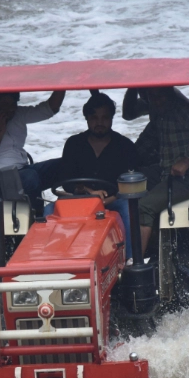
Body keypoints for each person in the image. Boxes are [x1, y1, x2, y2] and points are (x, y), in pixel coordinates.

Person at [127, 87, 189, 254]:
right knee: (127, 182)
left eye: (160, 96)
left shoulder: (180, 108)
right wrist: (132, 88)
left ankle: (134, 262)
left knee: (144, 207)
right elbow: (129, 114)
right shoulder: (157, 108)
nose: (157, 100)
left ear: (169, 94)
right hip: (165, 170)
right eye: (152, 96)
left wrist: (186, 161)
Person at [57, 92, 137, 258]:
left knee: (129, 210)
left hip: (114, 201)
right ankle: (53, 264)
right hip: (78, 200)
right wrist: (88, 192)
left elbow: (130, 182)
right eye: (94, 118)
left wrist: (111, 198)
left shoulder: (125, 146)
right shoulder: (73, 144)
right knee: (48, 212)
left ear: (112, 118)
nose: (99, 123)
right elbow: (66, 180)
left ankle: (131, 261)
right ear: (86, 118)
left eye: (105, 118)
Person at [0, 90, 65, 209]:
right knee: (31, 177)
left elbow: (50, 109)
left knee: (66, 164)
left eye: (13, 104)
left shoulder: (17, 114)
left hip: (23, 169)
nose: (10, 109)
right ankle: (39, 217)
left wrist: (63, 83)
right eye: (5, 105)